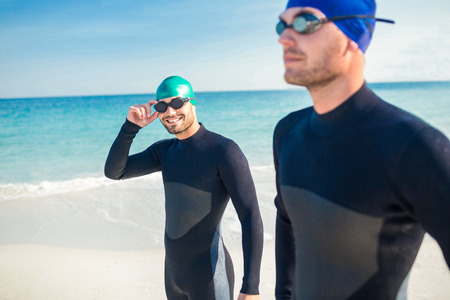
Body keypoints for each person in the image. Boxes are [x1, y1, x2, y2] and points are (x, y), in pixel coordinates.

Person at [273, 0, 450, 299]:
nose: (284, 37)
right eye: (283, 24)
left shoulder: (412, 145)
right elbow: (287, 221)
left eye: (305, 22)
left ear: (353, 37)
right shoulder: (287, 133)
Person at [105, 76, 263, 300]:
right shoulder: (164, 151)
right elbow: (115, 172)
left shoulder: (223, 151)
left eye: (177, 103)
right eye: (162, 106)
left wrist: (251, 287)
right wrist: (130, 127)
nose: (170, 112)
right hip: (173, 277)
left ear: (193, 102)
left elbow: (250, 216)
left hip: (209, 277)